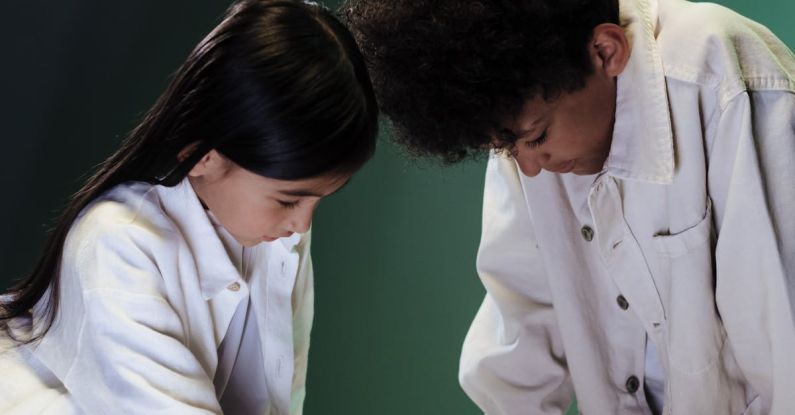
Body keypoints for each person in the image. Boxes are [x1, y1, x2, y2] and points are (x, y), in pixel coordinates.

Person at [343, 0, 795, 414]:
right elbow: (520, 333)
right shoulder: (521, 135)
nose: (531, 168)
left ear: (605, 51)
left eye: (537, 137)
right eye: (505, 148)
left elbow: (784, 349)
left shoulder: (722, 82)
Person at [0, 0, 378, 413]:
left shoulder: (275, 236)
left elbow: (280, 399)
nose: (303, 223)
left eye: (318, 200)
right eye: (289, 199)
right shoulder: (118, 246)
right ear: (203, 157)